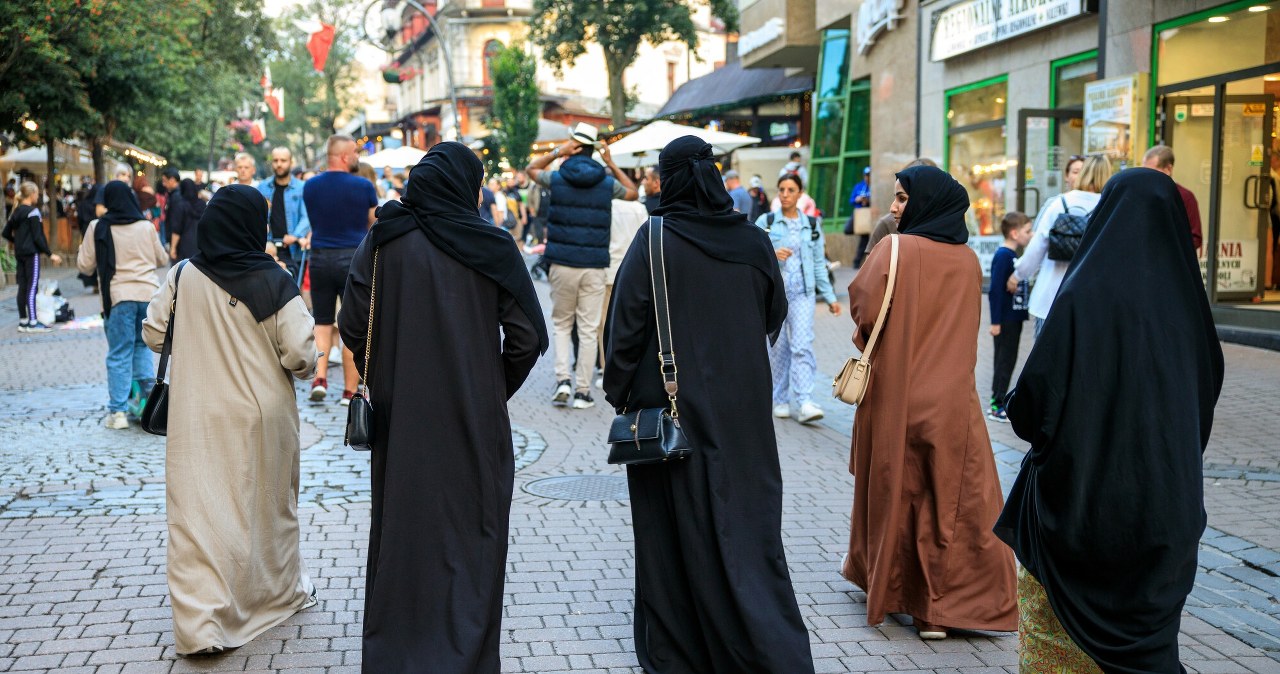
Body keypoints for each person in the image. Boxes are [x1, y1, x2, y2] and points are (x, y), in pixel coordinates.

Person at [995, 168, 1224, 672]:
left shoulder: (1080, 299)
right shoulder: (1191, 314)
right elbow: (1202, 410)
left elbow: (1033, 407)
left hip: (1079, 510)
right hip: (1163, 510)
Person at [603, 136, 815, 674]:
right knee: (745, 521)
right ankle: (763, 644)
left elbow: (623, 331)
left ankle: (681, 650)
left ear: (669, 179)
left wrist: (619, 392)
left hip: (669, 409)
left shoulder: (655, 239)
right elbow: (774, 314)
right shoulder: (752, 240)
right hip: (743, 408)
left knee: (672, 530)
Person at [338, 142, 546, 673]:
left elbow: (352, 323)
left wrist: (389, 371)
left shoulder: (384, 241)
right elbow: (527, 337)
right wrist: (490, 386)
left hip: (402, 420)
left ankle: (399, 656)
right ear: (465, 186)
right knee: (474, 535)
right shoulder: (492, 244)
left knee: (404, 536)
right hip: (474, 419)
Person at [840, 164, 1017, 640]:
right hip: (954, 402)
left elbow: (864, 306)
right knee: (947, 506)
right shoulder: (968, 261)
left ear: (923, 203)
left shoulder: (896, 248)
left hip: (897, 395)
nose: (895, 208)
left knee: (894, 493)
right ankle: (936, 611)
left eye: (901, 198)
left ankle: (886, 584)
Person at [142, 184, 318, 656]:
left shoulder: (183, 275)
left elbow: (155, 333)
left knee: (197, 515)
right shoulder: (273, 280)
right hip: (262, 417)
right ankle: (278, 594)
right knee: (268, 507)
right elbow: (301, 355)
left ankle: (201, 624)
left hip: (196, 414)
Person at [525, 122, 638, 409]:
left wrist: (556, 152)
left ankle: (563, 381)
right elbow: (632, 192)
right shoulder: (606, 183)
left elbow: (531, 170)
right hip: (594, 265)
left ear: (574, 146)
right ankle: (583, 392)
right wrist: (610, 162)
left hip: (561, 263)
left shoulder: (557, 178)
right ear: (593, 150)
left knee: (562, 324)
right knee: (588, 329)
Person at [76, 181, 168, 429]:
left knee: (119, 354)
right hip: (148, 297)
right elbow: (162, 258)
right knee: (141, 349)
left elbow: (84, 265)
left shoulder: (98, 227)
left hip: (118, 298)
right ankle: (144, 408)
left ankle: (117, 412)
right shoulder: (146, 226)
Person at [758, 173, 841, 424]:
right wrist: (771, 252)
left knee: (802, 345)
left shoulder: (812, 225)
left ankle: (805, 400)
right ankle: (780, 400)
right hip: (775, 295)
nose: (784, 194)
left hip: (803, 295)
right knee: (778, 349)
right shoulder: (767, 221)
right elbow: (751, 253)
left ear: (800, 193)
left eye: (790, 190)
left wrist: (829, 297)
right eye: (781, 189)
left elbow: (818, 264)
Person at [302, 134, 378, 404]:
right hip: (353, 260)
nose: (358, 157)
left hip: (320, 258)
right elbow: (372, 225)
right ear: (345, 156)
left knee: (322, 322)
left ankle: (319, 379)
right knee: (353, 326)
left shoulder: (310, 187)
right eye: (355, 153)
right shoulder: (363, 187)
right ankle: (350, 390)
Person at [1008, 155, 1112, 337]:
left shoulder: (1059, 203)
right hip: (1090, 301)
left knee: (1044, 359)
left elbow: (1037, 246)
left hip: (1050, 297)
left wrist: (1018, 274)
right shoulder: (1109, 207)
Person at [987, 211, 1032, 423]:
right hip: (1005, 321)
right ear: (1015, 233)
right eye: (1027, 231)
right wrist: (995, 322)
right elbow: (995, 291)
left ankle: (998, 402)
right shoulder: (1004, 256)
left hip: (1013, 319)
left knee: (1008, 360)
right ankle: (996, 406)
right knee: (1004, 361)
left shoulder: (1013, 256)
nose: (1031, 235)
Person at [3, 182, 62, 332]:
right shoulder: (33, 212)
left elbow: (5, 233)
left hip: (20, 253)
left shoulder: (15, 212)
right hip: (31, 254)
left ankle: (23, 322)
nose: (38, 196)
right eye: (37, 193)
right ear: (32, 194)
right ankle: (34, 322)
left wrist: (18, 242)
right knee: (32, 287)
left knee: (22, 287)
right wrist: (50, 254)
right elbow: (38, 237)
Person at [257, 147, 311, 278]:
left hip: (293, 250)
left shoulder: (301, 187)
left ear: (291, 162)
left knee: (293, 291)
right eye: (275, 160)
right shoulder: (262, 187)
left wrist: (295, 235)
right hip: (268, 249)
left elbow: (307, 216)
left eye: (283, 160)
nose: (279, 164)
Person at [867, 158, 937, 251]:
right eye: (898, 198)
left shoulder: (947, 231)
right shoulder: (887, 224)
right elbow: (871, 263)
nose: (892, 208)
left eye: (902, 199)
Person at [1143, 145, 1203, 250]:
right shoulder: (1142, 195)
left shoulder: (1185, 197)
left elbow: (1195, 238)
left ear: (1168, 169)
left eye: (1152, 172)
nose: (1146, 177)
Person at [169, 179, 205, 262]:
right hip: (200, 244)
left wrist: (173, 248)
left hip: (184, 244)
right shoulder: (202, 204)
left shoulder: (181, 205)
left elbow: (177, 229)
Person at [849, 166, 872, 267]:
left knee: (865, 238)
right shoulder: (859, 186)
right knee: (850, 230)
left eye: (870, 175)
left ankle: (858, 261)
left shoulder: (874, 186)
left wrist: (868, 200)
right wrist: (858, 200)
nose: (868, 178)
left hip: (870, 215)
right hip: (860, 215)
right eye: (866, 175)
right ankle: (857, 261)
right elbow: (851, 200)